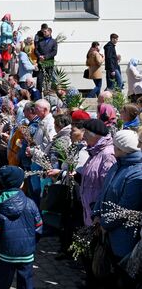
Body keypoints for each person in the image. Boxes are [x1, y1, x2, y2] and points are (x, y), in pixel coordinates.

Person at [93, 130, 142, 288]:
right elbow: (104, 190)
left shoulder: (136, 173)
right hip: (106, 231)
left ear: (121, 148)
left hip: (122, 237)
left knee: (119, 278)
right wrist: (97, 213)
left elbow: (126, 207)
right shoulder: (117, 164)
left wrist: (104, 225)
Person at [0, 166, 43, 289]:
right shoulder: (31, 203)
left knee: (3, 282)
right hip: (26, 253)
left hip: (6, 253)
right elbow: (39, 227)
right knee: (26, 283)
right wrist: (31, 243)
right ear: (21, 184)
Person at [79, 119, 115, 226]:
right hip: (90, 210)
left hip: (97, 213)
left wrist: (99, 213)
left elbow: (107, 187)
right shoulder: (94, 151)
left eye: (86, 132)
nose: (83, 135)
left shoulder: (107, 155)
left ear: (96, 135)